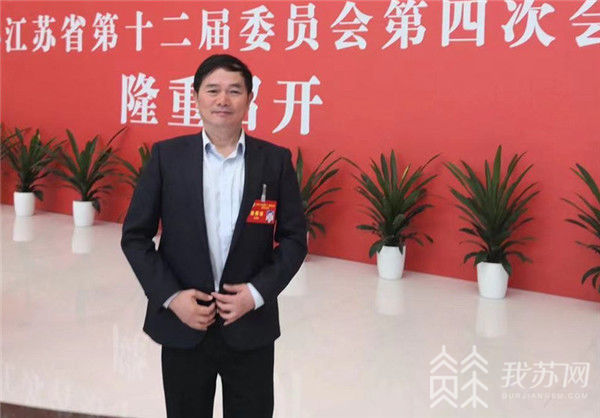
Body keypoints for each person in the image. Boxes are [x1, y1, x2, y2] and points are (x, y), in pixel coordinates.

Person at [120, 54, 307, 418]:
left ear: (249, 99)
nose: (223, 100)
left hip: (249, 324)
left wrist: (256, 294)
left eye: (234, 91)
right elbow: (135, 237)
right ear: (195, 97)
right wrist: (172, 298)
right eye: (213, 90)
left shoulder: (274, 161)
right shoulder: (167, 157)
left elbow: (294, 239)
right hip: (185, 322)